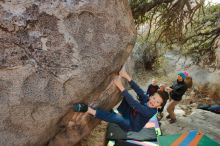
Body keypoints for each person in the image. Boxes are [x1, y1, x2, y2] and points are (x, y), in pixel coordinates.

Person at [72, 71, 166, 132]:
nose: (154, 101)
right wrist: (126, 76)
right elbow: (140, 91)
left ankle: (87, 109)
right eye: (154, 98)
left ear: (159, 107)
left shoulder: (150, 111)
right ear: (152, 96)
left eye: (157, 102)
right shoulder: (149, 100)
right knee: (129, 97)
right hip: (130, 114)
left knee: (119, 118)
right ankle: (113, 112)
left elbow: (135, 105)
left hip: (131, 126)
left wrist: (121, 87)